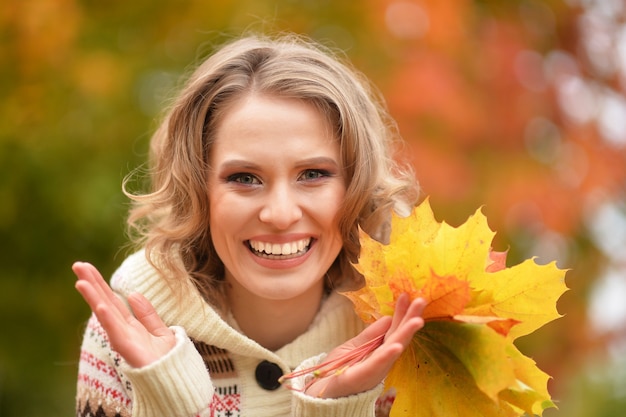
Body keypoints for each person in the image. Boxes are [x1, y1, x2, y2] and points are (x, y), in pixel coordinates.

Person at [72, 33, 426, 417]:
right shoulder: (126, 330)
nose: (280, 214)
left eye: (312, 174)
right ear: (198, 191)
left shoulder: (413, 333)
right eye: (244, 178)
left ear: (356, 187)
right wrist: (167, 398)